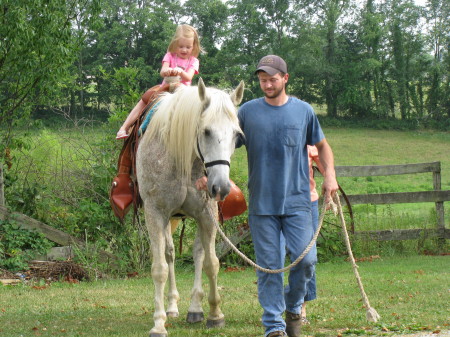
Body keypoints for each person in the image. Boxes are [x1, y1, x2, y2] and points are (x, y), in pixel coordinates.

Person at [236, 55, 338, 337]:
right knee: (269, 268)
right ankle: (274, 326)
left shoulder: (303, 111)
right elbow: (221, 143)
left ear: (285, 78)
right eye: (262, 79)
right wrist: (207, 172)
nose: (267, 84)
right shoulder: (247, 112)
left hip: (298, 202)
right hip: (262, 204)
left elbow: (323, 146)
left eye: (272, 79)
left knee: (307, 261)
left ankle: (293, 306)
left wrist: (330, 175)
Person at [116, 24, 201, 139]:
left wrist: (180, 72)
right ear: (175, 44)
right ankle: (124, 128)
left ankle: (198, 135)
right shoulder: (169, 56)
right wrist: (168, 71)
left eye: (188, 47)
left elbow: (189, 77)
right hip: (165, 89)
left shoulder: (193, 61)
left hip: (183, 92)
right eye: (181, 46)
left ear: (193, 46)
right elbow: (162, 71)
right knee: (145, 99)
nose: (184, 50)